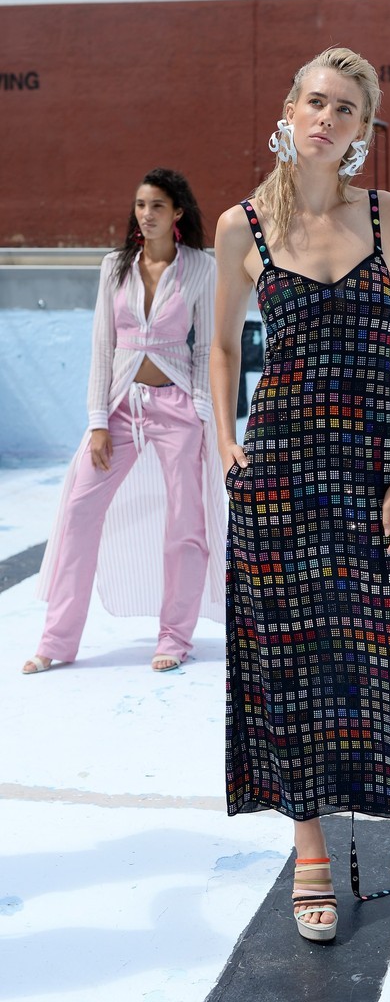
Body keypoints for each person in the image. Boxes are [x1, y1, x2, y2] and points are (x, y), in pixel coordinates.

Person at [210, 47, 390, 943]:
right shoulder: (241, 226)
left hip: (369, 478)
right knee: (295, 664)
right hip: (279, 480)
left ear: (362, 131)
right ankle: (311, 851)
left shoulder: (385, 213)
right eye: (316, 102)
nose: (326, 119)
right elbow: (222, 347)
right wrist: (226, 441)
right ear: (289, 110)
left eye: (346, 110)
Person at [23, 168, 225, 674]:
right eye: (140, 205)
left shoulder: (201, 268)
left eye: (157, 205)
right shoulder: (114, 266)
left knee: (187, 523)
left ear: (177, 212)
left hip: (178, 408)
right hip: (119, 408)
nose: (146, 214)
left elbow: (206, 348)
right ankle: (56, 642)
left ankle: (174, 638)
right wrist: (97, 421)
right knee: (78, 514)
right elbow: (102, 346)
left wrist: (201, 413)